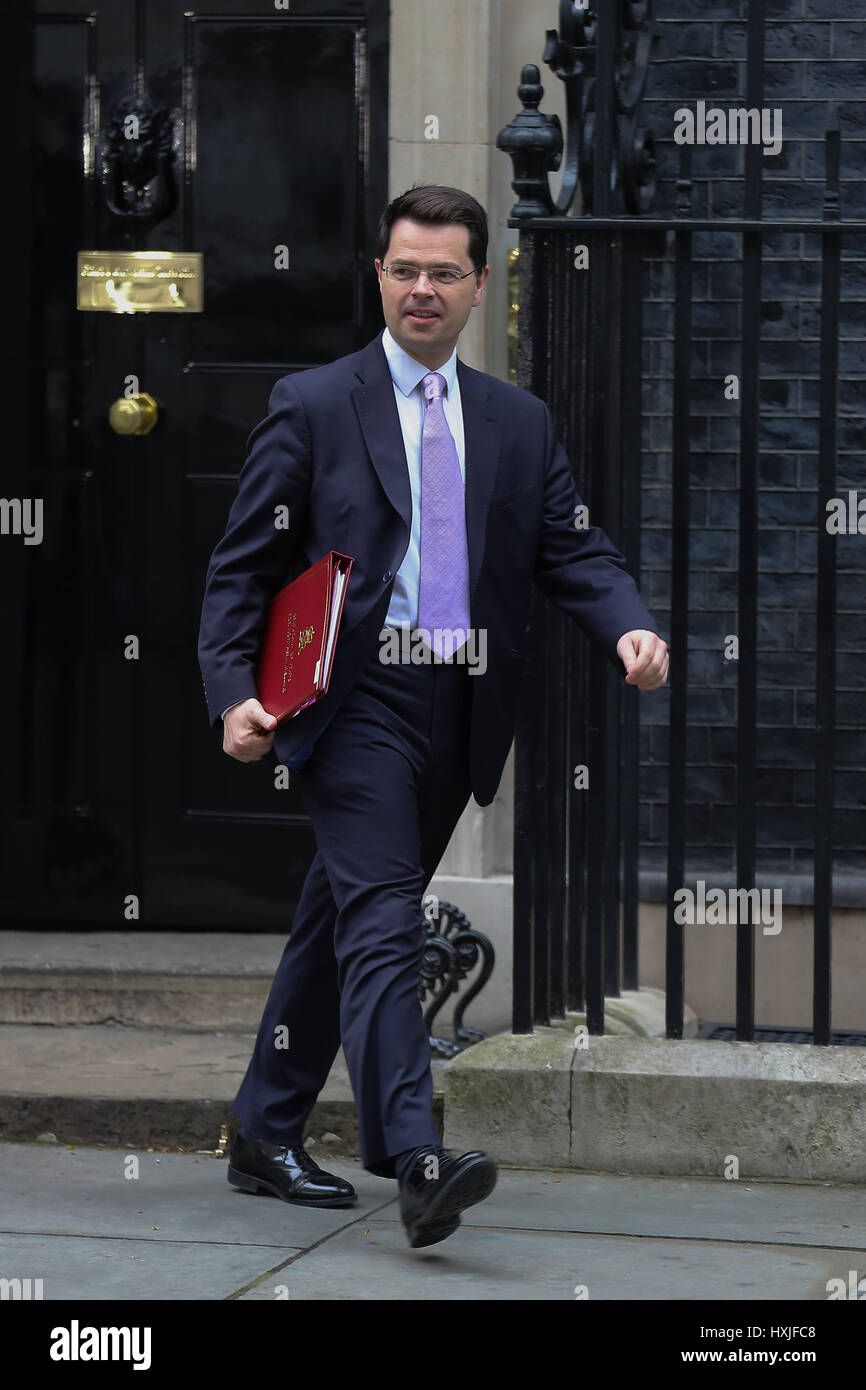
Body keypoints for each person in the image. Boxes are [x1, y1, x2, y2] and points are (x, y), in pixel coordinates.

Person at [197, 185, 669, 1250]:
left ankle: (263, 1127)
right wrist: (234, 694)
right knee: (381, 922)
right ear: (377, 274)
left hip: (457, 702)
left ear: (479, 284)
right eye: (404, 268)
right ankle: (415, 1156)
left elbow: (570, 547)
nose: (421, 288)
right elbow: (240, 571)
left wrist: (626, 627)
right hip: (350, 702)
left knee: (337, 918)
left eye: (443, 271)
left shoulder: (516, 418)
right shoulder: (315, 403)